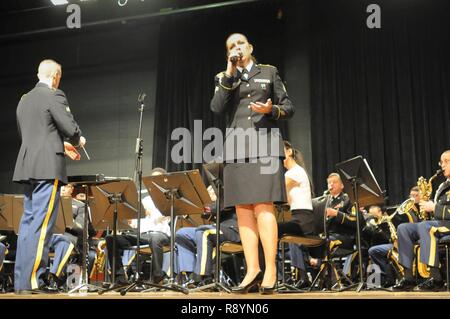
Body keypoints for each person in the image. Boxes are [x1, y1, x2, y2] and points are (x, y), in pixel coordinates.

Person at [211, 33, 294, 294]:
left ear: (250, 47)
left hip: (265, 146)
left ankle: (270, 269)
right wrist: (229, 72)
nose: (236, 48)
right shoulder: (224, 78)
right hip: (236, 149)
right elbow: (217, 108)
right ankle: (252, 269)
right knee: (243, 211)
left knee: (263, 206)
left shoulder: (268, 72)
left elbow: (288, 107)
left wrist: (271, 110)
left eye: (240, 44)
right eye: (230, 46)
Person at [12, 59, 86, 294]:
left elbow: (35, 133)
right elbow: (69, 127)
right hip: (47, 168)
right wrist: (77, 139)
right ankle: (36, 281)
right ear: (56, 76)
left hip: (28, 166)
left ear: (38, 74)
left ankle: (22, 283)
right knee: (43, 226)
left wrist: (61, 145)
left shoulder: (24, 99)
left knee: (27, 225)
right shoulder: (54, 94)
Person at [394, 150, 450, 291]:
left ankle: (435, 278)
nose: (442, 165)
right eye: (441, 162)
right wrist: (426, 207)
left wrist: (434, 208)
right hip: (439, 223)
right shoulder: (442, 186)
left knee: (425, 227)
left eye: (446, 161)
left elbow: (440, 210)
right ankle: (408, 278)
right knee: (403, 228)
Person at [105, 167, 170, 285]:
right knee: (111, 238)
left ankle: (158, 277)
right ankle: (119, 277)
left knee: (154, 238)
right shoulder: (145, 200)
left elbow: (165, 215)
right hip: (141, 235)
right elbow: (137, 222)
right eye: (152, 178)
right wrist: (130, 221)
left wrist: (148, 211)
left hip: (160, 234)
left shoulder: (168, 197)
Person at [175, 186, 240, 288]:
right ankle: (189, 274)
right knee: (182, 233)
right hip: (218, 229)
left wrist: (205, 204)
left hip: (234, 229)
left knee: (203, 232)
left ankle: (203, 277)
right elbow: (207, 212)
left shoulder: (232, 189)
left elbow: (218, 207)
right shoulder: (217, 197)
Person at [277, 141, 315, 288]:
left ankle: (301, 276)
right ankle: (283, 277)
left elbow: (278, 190)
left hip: (304, 219)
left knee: (275, 231)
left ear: (289, 152)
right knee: (273, 234)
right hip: (297, 216)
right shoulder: (290, 173)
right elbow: (285, 200)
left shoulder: (295, 172)